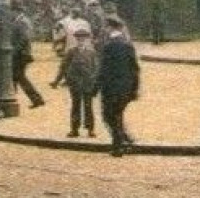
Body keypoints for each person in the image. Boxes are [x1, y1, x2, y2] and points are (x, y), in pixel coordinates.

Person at [97, 16, 140, 156]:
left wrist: (94, 88)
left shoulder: (109, 46)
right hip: (126, 87)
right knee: (117, 115)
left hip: (111, 88)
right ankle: (124, 142)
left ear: (109, 27)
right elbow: (135, 68)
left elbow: (103, 69)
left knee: (109, 116)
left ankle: (120, 145)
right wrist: (135, 89)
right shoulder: (128, 44)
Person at [59, 27, 99, 138]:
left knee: (88, 107)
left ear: (87, 40)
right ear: (76, 39)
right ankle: (74, 129)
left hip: (87, 83)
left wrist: (94, 81)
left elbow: (96, 68)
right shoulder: (71, 51)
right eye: (79, 38)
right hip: (75, 83)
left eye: (83, 38)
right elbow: (64, 67)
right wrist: (63, 79)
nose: (81, 40)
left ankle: (90, 129)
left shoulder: (91, 52)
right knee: (75, 106)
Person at [9, 6, 45, 109]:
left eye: (12, 11)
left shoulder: (22, 22)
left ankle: (35, 99)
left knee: (18, 77)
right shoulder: (20, 20)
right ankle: (34, 99)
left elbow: (24, 38)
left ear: (16, 11)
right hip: (20, 53)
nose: (10, 14)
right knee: (16, 77)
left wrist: (15, 51)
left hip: (21, 54)